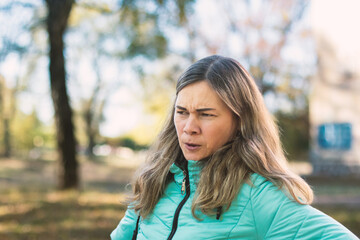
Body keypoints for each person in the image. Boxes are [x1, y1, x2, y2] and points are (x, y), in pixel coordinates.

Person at [111, 55, 358, 239]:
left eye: (206, 115)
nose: (189, 127)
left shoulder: (258, 195)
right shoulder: (154, 180)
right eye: (182, 112)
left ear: (239, 121)